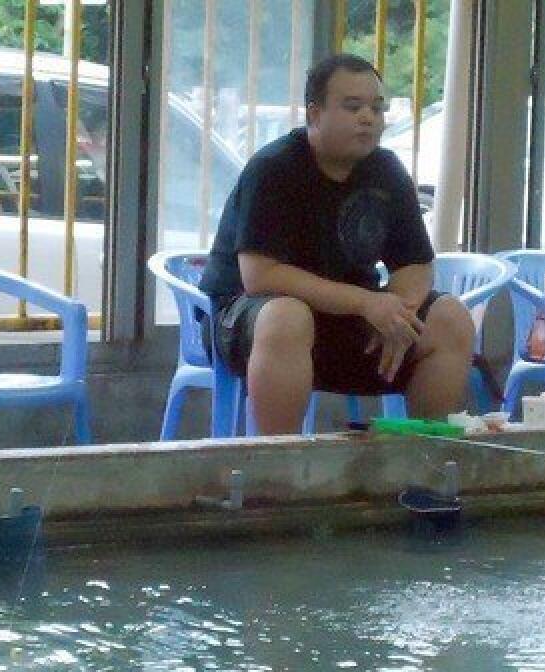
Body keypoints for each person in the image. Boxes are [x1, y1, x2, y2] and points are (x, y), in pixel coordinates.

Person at [199, 53, 474, 434]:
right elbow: (260, 276)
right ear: (314, 113)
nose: (368, 118)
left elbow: (414, 264)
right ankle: (278, 471)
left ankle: (420, 463)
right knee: (288, 317)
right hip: (249, 323)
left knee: (450, 318)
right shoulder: (274, 169)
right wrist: (366, 302)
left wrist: (398, 313)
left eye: (377, 108)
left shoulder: (387, 171)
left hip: (346, 323)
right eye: (352, 107)